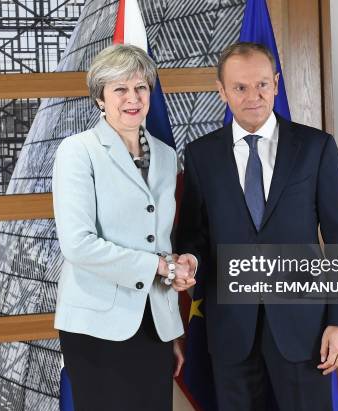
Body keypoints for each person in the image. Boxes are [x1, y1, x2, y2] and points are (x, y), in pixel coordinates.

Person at [176, 42, 338, 411]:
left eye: (262, 84)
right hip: (230, 329)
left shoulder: (315, 148)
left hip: (303, 329)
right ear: (222, 90)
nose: (253, 96)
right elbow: (193, 234)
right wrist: (190, 261)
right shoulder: (201, 155)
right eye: (240, 87)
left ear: (276, 83)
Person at [52, 44, 196, 411]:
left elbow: (157, 239)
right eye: (120, 90)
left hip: (153, 323)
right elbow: (78, 244)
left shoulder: (165, 155)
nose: (132, 98)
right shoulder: (77, 151)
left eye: (141, 88)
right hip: (97, 325)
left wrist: (175, 274)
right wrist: (157, 267)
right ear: (100, 98)